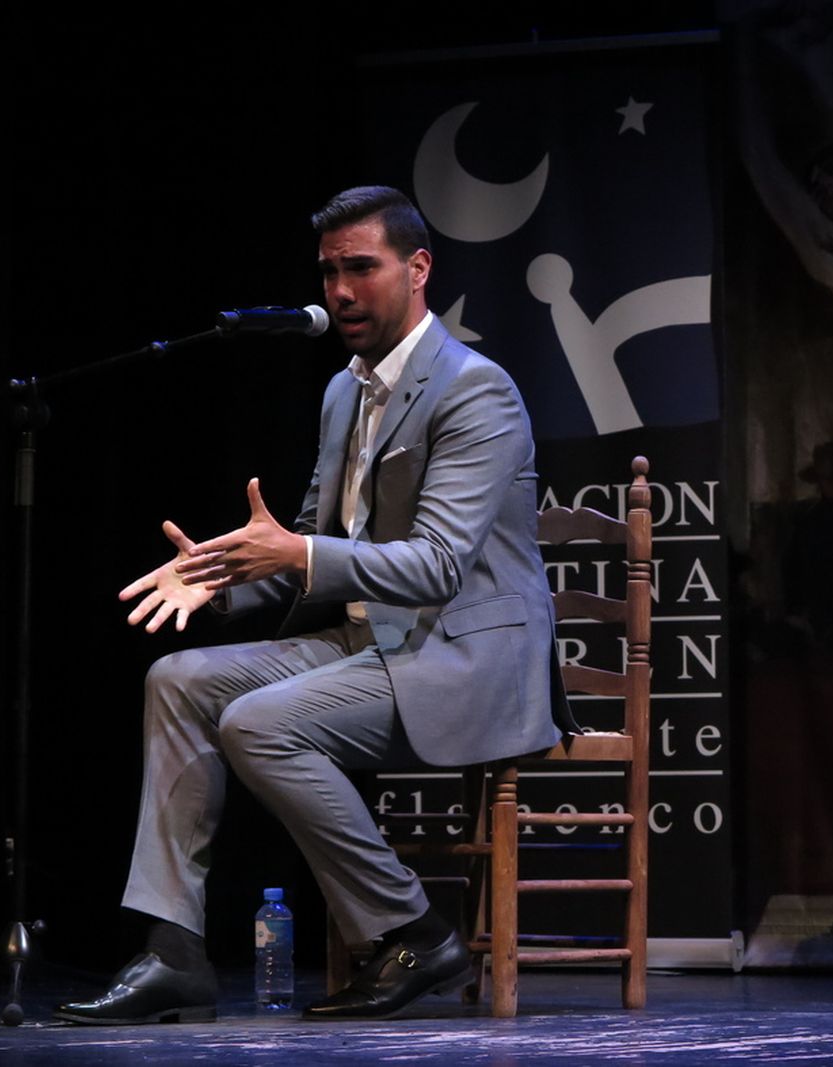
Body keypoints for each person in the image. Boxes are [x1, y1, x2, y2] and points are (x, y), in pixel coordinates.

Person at [57, 185, 574, 1024]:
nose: (339, 291)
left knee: (259, 722)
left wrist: (295, 552)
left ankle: (412, 928)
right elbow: (307, 544)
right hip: (365, 644)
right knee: (177, 677)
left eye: (361, 268)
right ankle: (173, 949)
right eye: (330, 270)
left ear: (418, 269)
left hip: (462, 656)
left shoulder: (478, 391)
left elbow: (437, 563)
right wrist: (223, 576)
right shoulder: (344, 392)